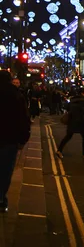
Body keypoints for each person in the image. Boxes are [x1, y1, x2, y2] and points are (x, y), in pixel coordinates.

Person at [0, 70, 31, 213]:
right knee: (5, 170)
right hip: (9, 138)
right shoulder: (16, 96)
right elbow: (23, 119)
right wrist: (23, 139)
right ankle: (0, 199)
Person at [56, 88, 84, 159]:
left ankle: (59, 150)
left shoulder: (72, 100)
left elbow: (66, 107)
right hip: (80, 121)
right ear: (82, 93)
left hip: (71, 120)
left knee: (68, 136)